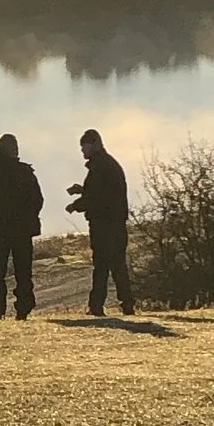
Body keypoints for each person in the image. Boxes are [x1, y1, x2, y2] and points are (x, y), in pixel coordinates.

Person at [0, 131, 43, 319]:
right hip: (22, 231)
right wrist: (27, 218)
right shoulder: (25, 172)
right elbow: (37, 200)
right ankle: (23, 311)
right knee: (23, 271)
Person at [68, 127, 135, 317]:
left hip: (104, 225)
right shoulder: (108, 165)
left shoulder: (99, 167)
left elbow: (96, 198)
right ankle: (127, 304)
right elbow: (102, 192)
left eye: (85, 147)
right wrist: (82, 191)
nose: (83, 151)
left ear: (94, 145)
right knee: (118, 266)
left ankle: (96, 306)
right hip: (116, 223)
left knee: (102, 266)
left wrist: (76, 205)